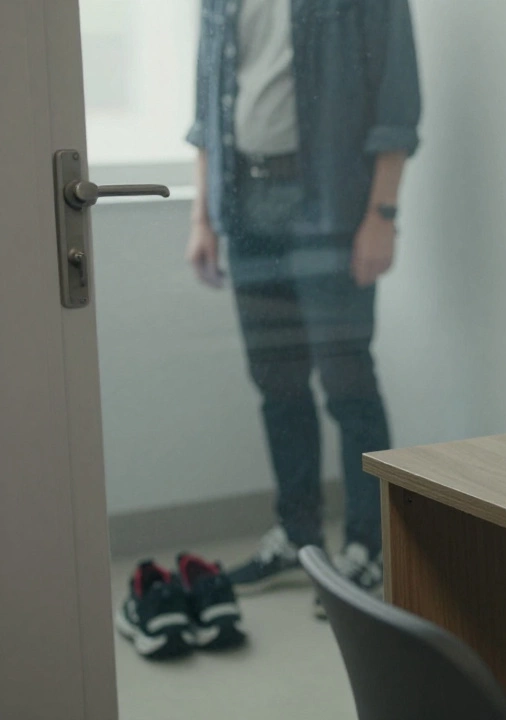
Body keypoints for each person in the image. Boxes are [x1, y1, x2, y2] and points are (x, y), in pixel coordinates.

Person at [184, 0, 421, 612]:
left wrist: (382, 215)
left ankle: (368, 545)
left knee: (348, 385)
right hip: (246, 205)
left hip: (332, 210)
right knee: (276, 383)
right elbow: (208, 101)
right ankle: (298, 534)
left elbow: (396, 98)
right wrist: (201, 217)